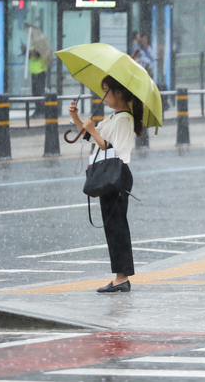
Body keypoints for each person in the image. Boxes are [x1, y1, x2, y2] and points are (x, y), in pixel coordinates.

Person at [69, 76, 144, 293]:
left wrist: (92, 130)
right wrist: (76, 117)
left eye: (105, 91)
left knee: (117, 227)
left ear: (118, 92)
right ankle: (120, 277)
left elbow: (112, 149)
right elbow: (90, 138)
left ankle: (122, 278)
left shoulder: (124, 119)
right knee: (113, 227)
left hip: (116, 173)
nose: (103, 95)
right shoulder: (114, 117)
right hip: (109, 173)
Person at [24, 46, 47, 117]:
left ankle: (42, 110)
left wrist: (29, 50)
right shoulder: (34, 48)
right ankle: (38, 109)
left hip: (40, 73)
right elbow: (29, 57)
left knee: (39, 92)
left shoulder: (41, 48)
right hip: (34, 73)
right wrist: (26, 51)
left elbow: (37, 55)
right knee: (34, 92)